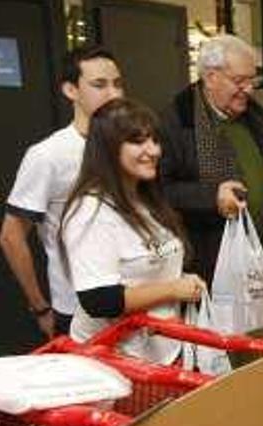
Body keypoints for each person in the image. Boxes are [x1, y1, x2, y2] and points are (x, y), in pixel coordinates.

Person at [60, 98, 204, 364]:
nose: (153, 151)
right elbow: (100, 300)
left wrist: (181, 279)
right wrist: (173, 289)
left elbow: (148, 263)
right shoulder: (91, 211)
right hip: (117, 359)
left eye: (154, 140)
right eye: (138, 142)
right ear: (108, 149)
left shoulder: (145, 196)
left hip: (163, 351)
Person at [0, 46, 124, 338]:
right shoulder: (48, 154)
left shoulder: (132, 147)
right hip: (78, 307)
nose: (114, 94)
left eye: (118, 84)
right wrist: (40, 307)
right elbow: (11, 236)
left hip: (134, 298)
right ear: (71, 90)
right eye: (99, 85)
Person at [158, 34, 263, 289]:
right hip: (207, 266)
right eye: (239, 81)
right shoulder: (176, 123)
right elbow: (160, 192)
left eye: (252, 80)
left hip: (254, 259)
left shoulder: (255, 117)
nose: (249, 88)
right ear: (211, 78)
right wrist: (210, 196)